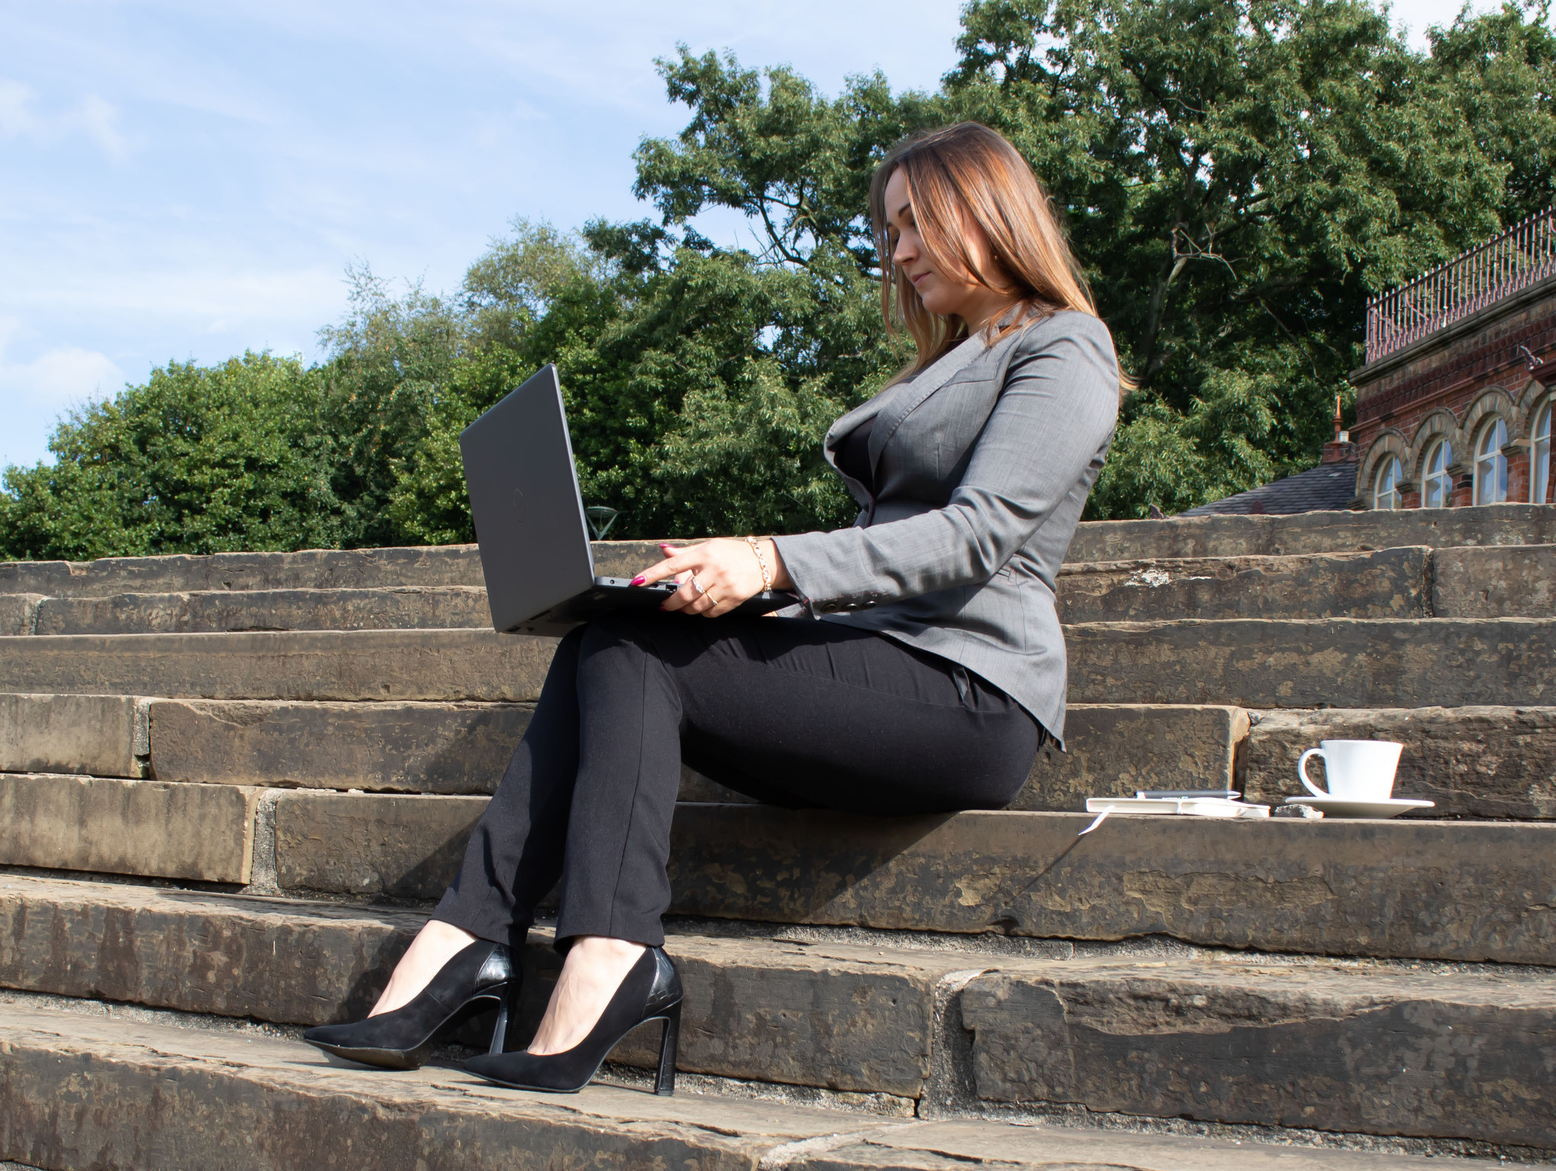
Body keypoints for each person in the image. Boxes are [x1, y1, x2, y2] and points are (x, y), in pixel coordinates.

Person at [303, 121, 1124, 1094]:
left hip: (972, 692)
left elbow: (976, 536)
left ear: (982, 208)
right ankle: (473, 937)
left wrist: (770, 563)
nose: (894, 252)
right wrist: (755, 604)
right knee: (610, 634)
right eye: (889, 229)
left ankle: (603, 955)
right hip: (882, 658)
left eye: (913, 223)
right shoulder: (950, 359)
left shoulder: (1065, 347)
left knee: (631, 650)